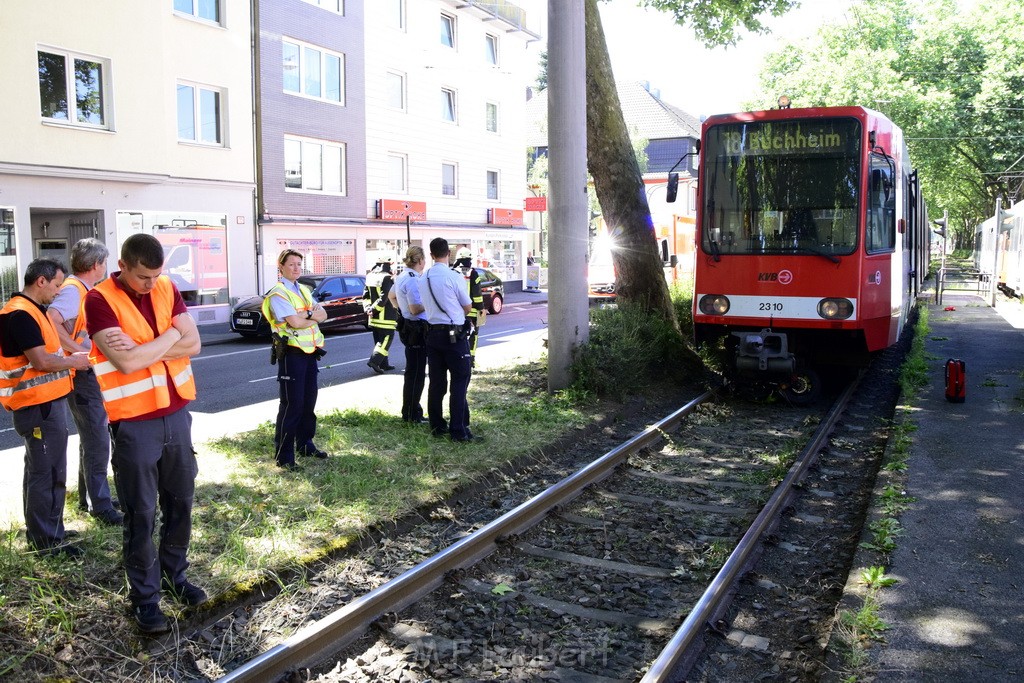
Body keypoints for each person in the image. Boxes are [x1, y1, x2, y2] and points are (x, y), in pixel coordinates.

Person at [85, 233, 206, 634]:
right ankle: (145, 599)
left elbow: (196, 343)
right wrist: (173, 336)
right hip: (134, 423)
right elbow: (125, 362)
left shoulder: (167, 286)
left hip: (177, 414)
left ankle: (176, 577)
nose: (151, 284)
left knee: (181, 502)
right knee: (141, 512)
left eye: (156, 276)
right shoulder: (99, 300)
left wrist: (151, 346)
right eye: (142, 277)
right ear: (122, 265)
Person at [0, 259, 93, 557]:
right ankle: (46, 541)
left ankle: (49, 530)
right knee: (47, 472)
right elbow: (42, 361)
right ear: (40, 281)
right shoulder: (21, 314)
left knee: (44, 469)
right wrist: (74, 360)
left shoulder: (28, 311)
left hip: (42, 403)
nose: (57, 292)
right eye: (55, 285)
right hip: (37, 405)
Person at [46, 238, 122, 527]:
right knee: (97, 439)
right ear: (95, 264)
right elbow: (52, 319)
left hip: (83, 372)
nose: (105, 267)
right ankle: (99, 504)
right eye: (104, 262)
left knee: (92, 437)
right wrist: (79, 352)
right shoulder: (74, 290)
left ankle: (90, 496)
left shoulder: (79, 289)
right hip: (82, 374)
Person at [262, 249, 329, 470]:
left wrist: (305, 316)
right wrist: (310, 315)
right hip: (291, 354)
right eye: (292, 264)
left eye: (299, 264)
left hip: (310, 353)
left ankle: (305, 444)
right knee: (292, 405)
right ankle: (284, 455)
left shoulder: (303, 289)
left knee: (309, 402)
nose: (297, 268)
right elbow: (294, 323)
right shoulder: (278, 294)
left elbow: (324, 315)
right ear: (280, 267)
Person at [417, 238, 480, 442]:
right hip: (454, 334)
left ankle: (436, 425)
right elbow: (468, 306)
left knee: (436, 382)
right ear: (448, 254)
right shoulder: (454, 277)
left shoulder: (423, 277)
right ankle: (458, 430)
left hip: (432, 334)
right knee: (460, 381)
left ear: (431, 254)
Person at [389, 246, 428, 423]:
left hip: (408, 326)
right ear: (420, 260)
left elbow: (391, 297)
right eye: (424, 260)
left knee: (413, 372)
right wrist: (431, 303)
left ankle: (410, 411)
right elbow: (415, 308)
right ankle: (412, 414)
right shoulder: (413, 279)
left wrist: (401, 310)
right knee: (417, 373)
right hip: (417, 328)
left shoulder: (402, 276)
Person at [363, 256, 398, 374]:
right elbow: (384, 298)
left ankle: (384, 363)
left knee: (379, 341)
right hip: (386, 317)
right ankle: (375, 360)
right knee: (386, 340)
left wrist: (368, 309)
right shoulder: (387, 277)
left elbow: (366, 296)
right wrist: (374, 309)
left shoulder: (370, 276)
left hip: (373, 318)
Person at [451, 247, 485, 365]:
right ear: (470, 259)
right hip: (472, 311)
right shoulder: (473, 273)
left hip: (456, 312)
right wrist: (481, 308)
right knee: (473, 336)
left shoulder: (452, 272)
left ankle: (456, 359)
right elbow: (477, 295)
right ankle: (470, 360)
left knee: (456, 335)